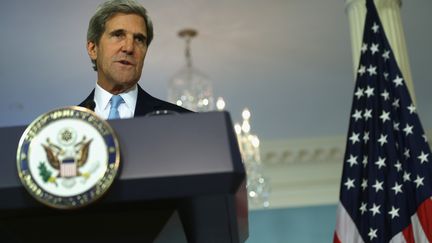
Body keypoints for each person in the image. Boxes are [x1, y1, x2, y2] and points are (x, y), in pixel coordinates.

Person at [79, 0, 189, 118]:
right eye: (118, 35)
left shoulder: (182, 120)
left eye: (139, 39)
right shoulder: (65, 125)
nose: (129, 48)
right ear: (93, 49)